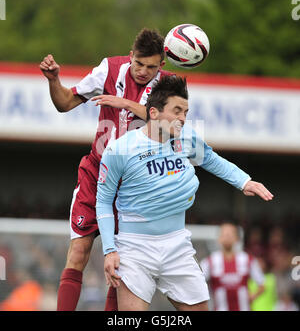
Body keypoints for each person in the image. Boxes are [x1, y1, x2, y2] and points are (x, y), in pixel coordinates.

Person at [96, 75, 273, 311]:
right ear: (154, 113)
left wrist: (244, 181)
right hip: (134, 248)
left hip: (177, 244)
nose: (182, 118)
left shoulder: (185, 139)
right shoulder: (119, 149)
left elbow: (210, 159)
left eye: (186, 112)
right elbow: (104, 201)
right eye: (177, 110)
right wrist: (109, 250)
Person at [40, 28, 173, 311]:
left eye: (151, 66)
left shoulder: (170, 85)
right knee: (78, 251)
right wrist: (54, 81)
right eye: (139, 63)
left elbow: (169, 127)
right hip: (97, 174)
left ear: (161, 65)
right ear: (130, 56)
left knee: (121, 268)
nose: (143, 71)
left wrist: (124, 103)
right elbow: (64, 102)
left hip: (136, 184)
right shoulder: (109, 69)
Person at [201, 222, 266, 311]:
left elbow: (262, 284)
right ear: (219, 238)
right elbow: (197, 283)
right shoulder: (209, 262)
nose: (227, 236)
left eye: (230, 234)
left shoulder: (248, 259)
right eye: (224, 234)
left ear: (237, 239)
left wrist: (252, 296)